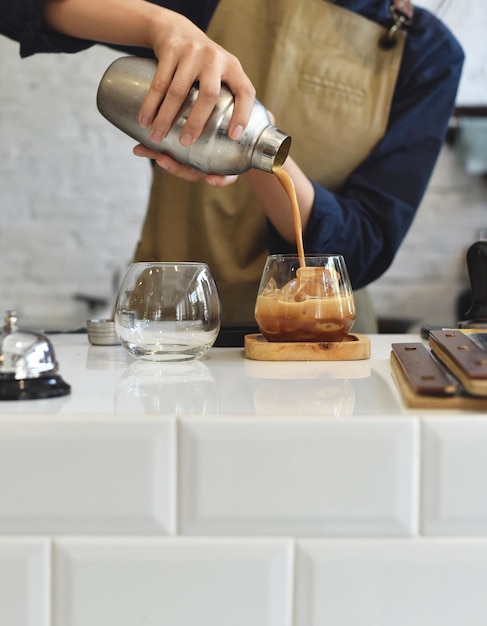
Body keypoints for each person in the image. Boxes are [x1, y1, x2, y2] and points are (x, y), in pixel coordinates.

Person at [1, 0, 464, 338]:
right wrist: (162, 24)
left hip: (318, 340)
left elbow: (361, 249)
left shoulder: (427, 54)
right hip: (168, 323)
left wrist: (243, 146)